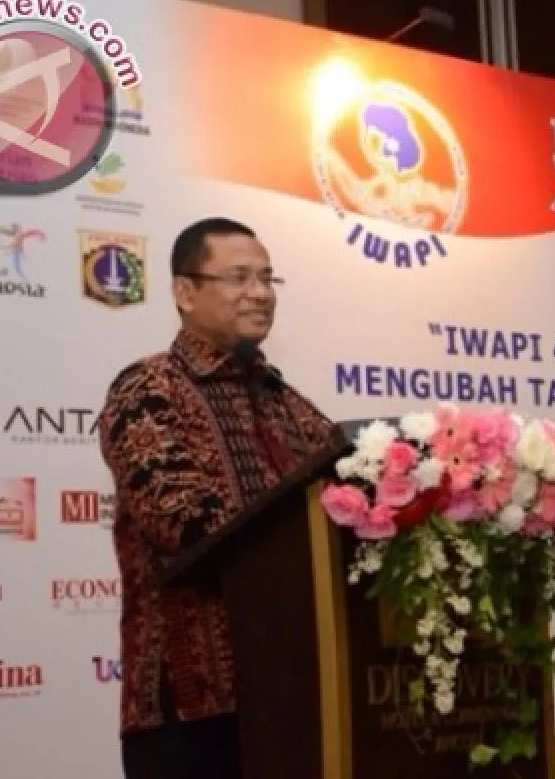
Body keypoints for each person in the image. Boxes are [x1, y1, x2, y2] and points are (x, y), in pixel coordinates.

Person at [98, 217, 335, 779]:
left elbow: (348, 502)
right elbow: (182, 525)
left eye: (268, 278)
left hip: (296, 697)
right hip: (191, 709)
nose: (260, 293)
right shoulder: (148, 389)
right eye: (239, 278)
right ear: (185, 292)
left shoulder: (288, 403)